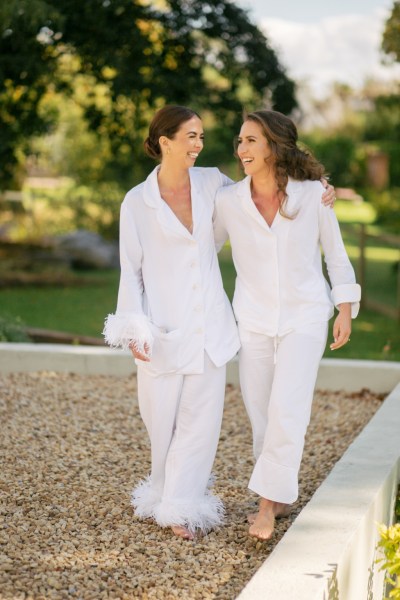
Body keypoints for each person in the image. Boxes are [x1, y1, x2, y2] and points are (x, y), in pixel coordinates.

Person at [103, 105, 335, 540]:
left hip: (212, 325)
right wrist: (134, 326)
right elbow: (129, 270)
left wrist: (316, 186)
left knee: (200, 422)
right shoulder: (136, 202)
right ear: (165, 141)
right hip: (161, 328)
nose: (199, 144)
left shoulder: (213, 183)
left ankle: (180, 507)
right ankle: (160, 491)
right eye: (190, 136)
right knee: (161, 422)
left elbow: (263, 186)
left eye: (202, 137)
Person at [213, 109, 361, 541]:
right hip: (253, 319)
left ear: (274, 145)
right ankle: (277, 492)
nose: (241, 149)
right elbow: (201, 248)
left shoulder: (314, 194)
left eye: (251, 141)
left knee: (287, 408)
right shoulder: (228, 202)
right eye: (239, 141)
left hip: (306, 316)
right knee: (261, 411)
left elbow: (335, 254)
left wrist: (345, 307)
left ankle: (265, 506)